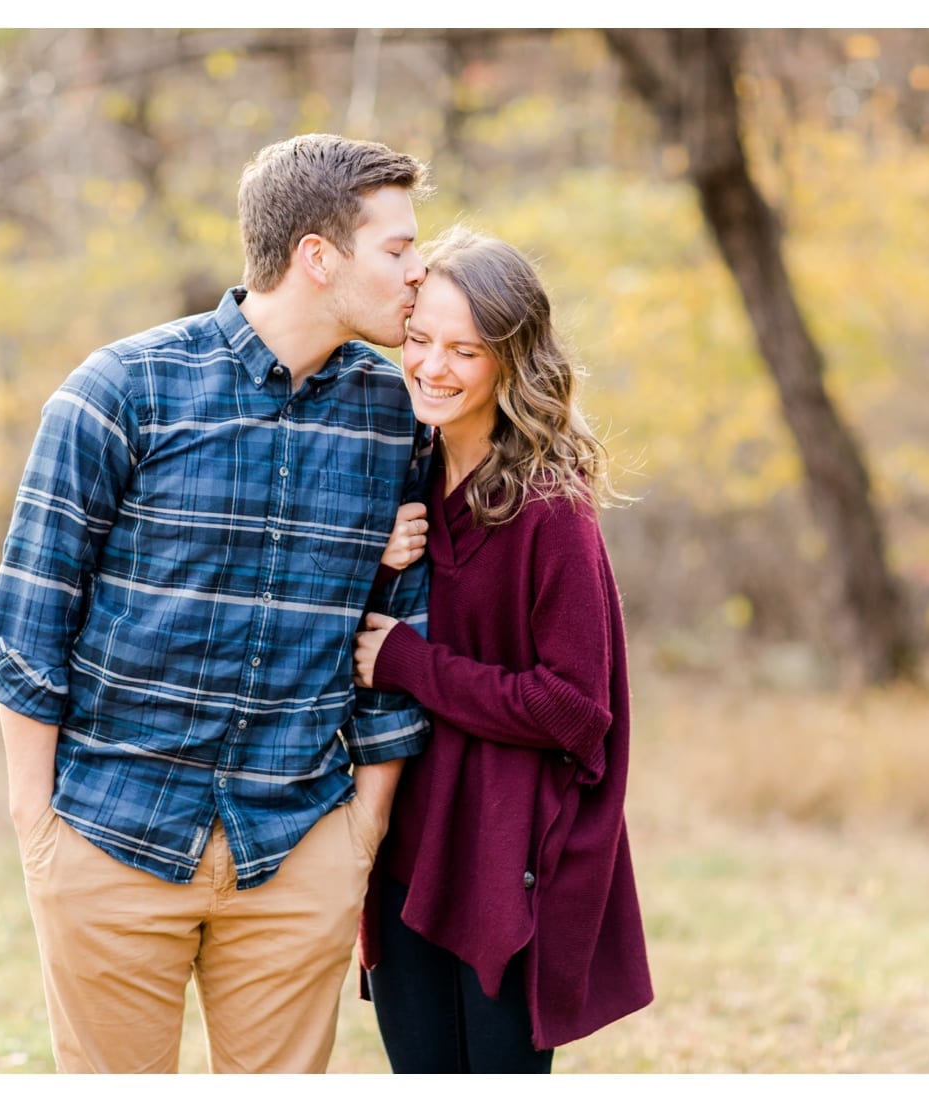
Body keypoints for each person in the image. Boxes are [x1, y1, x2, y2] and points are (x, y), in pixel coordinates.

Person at [0, 133, 435, 1074]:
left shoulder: (395, 413)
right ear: (319, 257)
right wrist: (39, 830)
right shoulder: (122, 391)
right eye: (396, 249)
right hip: (108, 836)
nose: (418, 272)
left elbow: (406, 620)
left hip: (299, 843)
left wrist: (365, 829)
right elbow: (27, 619)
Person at [352, 226, 654, 1073]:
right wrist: (373, 561)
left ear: (511, 362)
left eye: (465, 351)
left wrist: (410, 661)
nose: (432, 367)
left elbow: (574, 708)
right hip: (408, 844)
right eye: (419, 341)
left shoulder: (549, 510)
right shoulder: (403, 475)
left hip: (507, 858)